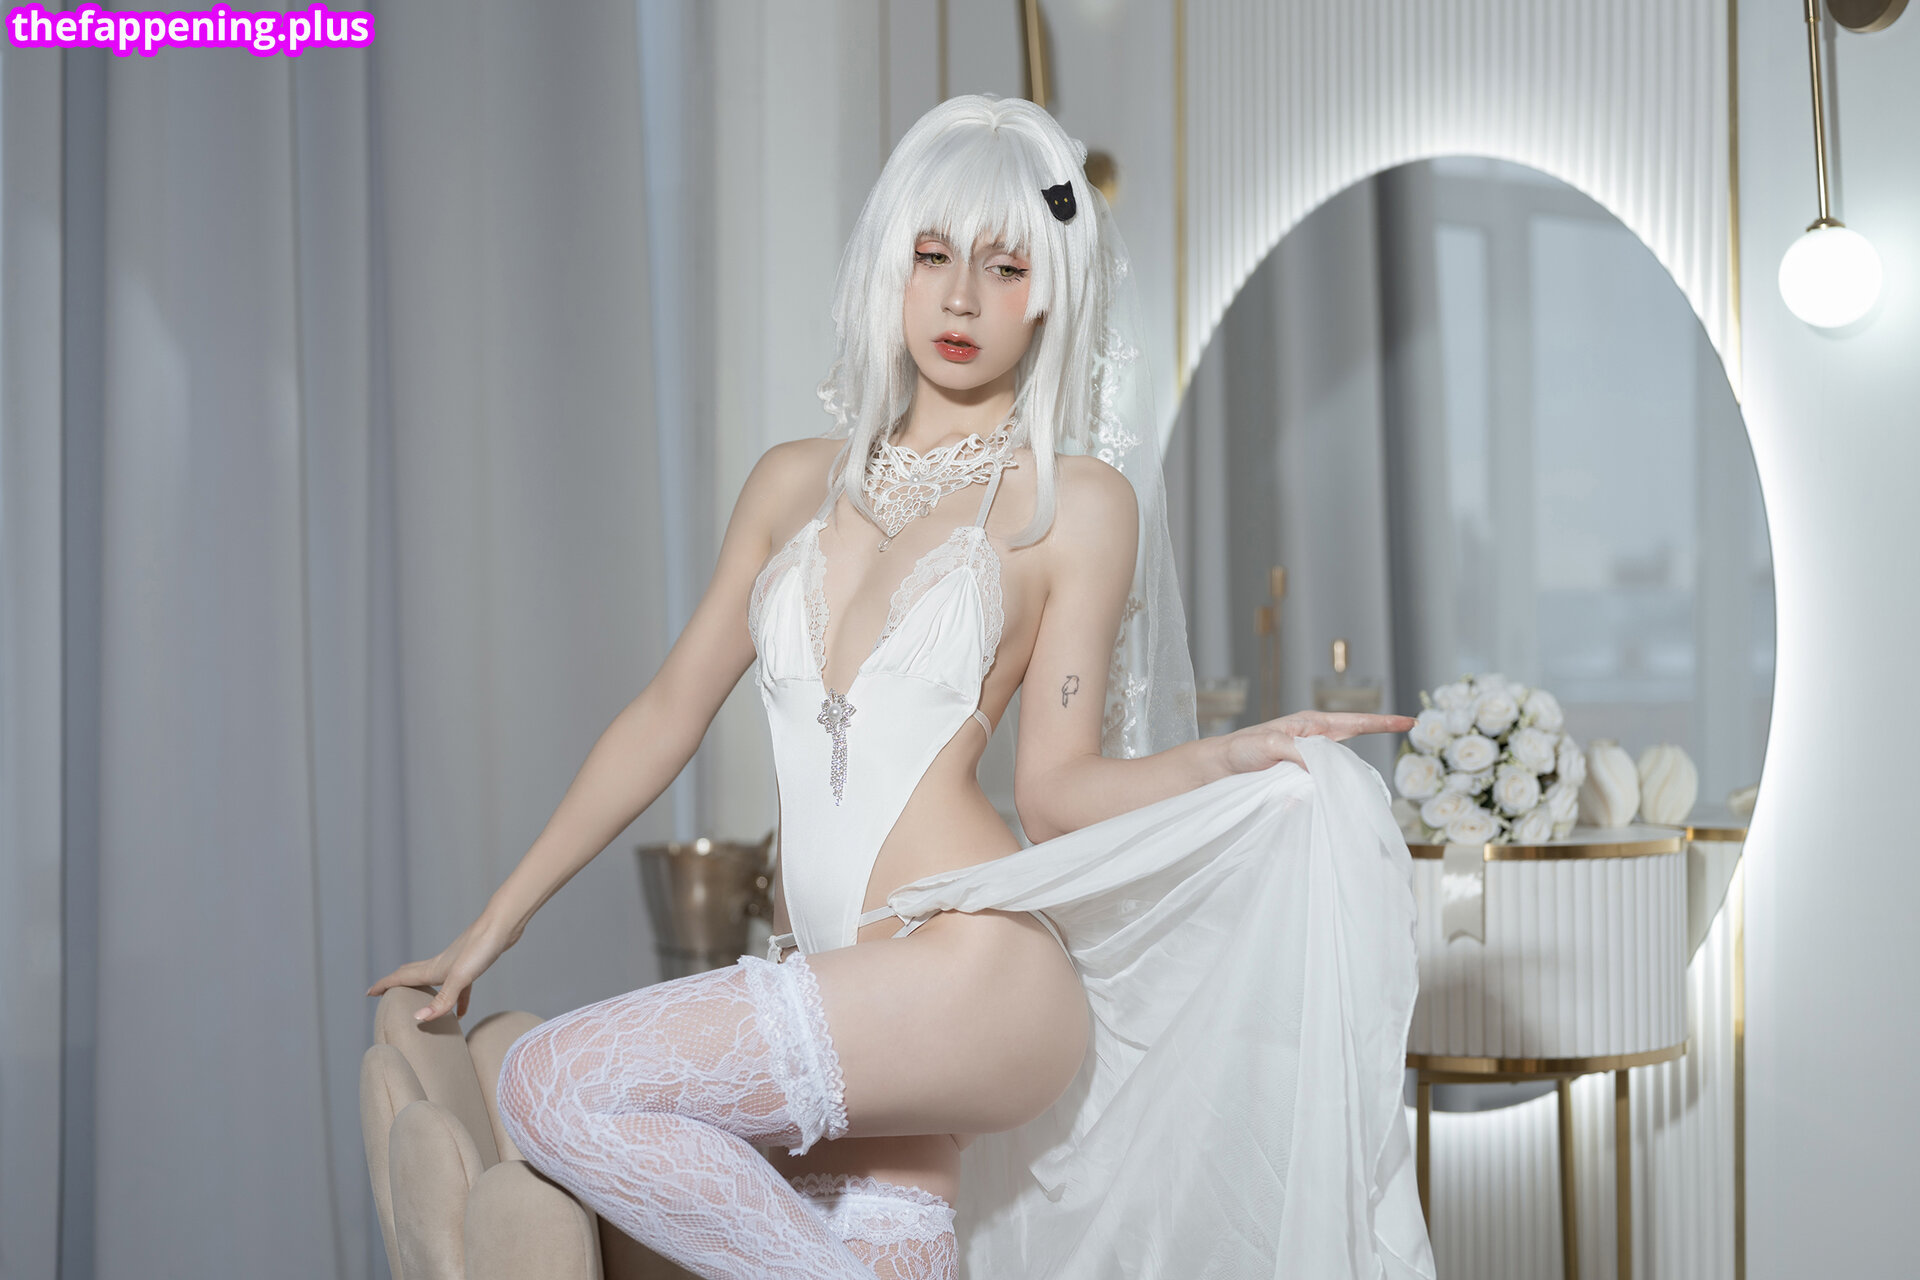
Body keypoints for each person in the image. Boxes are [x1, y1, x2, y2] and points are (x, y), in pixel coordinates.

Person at [368, 94, 1436, 1280]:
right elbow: (667, 712)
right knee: (873, 1254)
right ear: (893, 267)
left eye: (1005, 266)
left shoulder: (1074, 504)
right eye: (934, 256)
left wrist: (1237, 756)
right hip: (838, 979)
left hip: (977, 975)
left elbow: (1061, 790)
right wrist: (494, 922)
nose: (962, 298)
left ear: (1051, 292)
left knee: (548, 1082)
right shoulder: (791, 484)